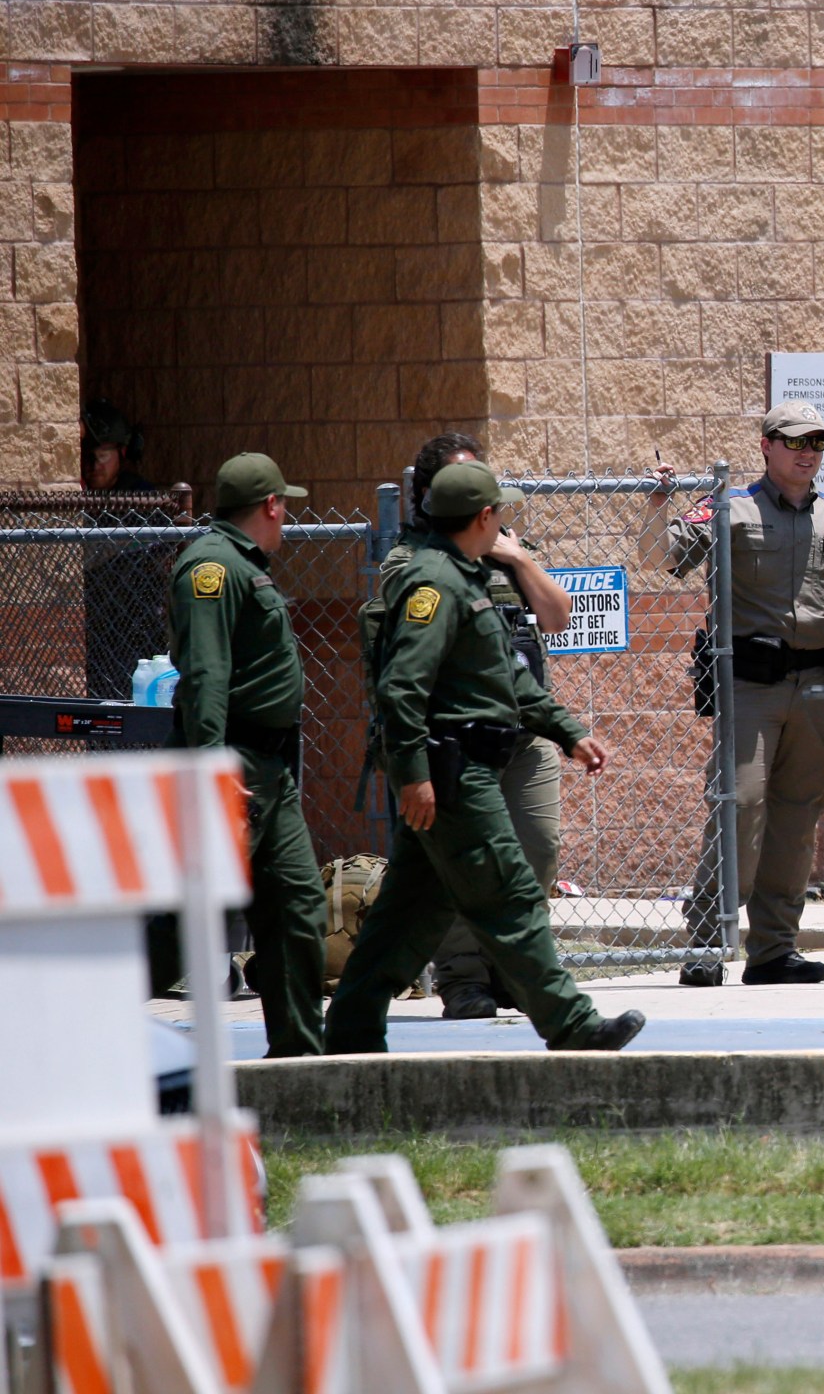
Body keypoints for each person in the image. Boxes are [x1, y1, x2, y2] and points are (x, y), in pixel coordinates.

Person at [323, 462, 644, 1054]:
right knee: (511, 895)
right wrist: (415, 777)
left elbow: (506, 681)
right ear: (483, 518)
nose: (504, 518)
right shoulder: (433, 584)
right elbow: (401, 688)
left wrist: (567, 732)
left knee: (407, 915)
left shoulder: (464, 577)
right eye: (499, 509)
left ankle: (350, 1028)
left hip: (467, 766)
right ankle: (572, 1025)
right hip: (453, 774)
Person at [644, 401, 824, 988]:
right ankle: (709, 943)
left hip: (818, 686)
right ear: (766, 445)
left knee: (798, 817)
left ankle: (773, 950)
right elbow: (663, 559)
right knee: (739, 805)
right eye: (794, 441)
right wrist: (658, 505)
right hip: (751, 687)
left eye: (816, 441)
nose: (806, 451)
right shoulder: (729, 508)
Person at [368, 434, 576, 1020]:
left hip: (522, 732)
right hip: (456, 742)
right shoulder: (415, 564)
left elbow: (557, 617)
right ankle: (463, 978)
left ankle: (514, 970)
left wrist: (518, 559)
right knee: (460, 864)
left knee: (535, 852)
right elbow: (405, 672)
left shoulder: (507, 548)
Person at [167, 454, 328, 1058]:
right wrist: (212, 775)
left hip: (270, 773)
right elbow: (206, 678)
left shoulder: (243, 564)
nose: (288, 514)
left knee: (297, 907)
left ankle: (299, 1056)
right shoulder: (212, 567)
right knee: (178, 920)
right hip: (233, 766)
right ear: (269, 505)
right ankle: (84, 1023)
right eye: (286, 503)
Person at [81, 398, 171, 700]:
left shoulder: (140, 498)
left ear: (121, 453)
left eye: (103, 455)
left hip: (133, 624)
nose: (94, 465)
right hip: (93, 624)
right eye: (87, 456)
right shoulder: (79, 500)